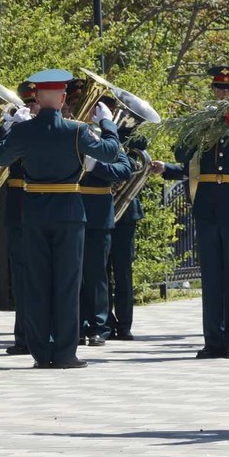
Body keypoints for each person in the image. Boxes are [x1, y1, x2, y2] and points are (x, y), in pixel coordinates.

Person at [0, 69, 122, 368]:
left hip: (33, 212)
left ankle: (40, 353)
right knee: (67, 284)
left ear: (35, 97)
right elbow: (111, 153)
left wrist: (6, 125)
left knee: (37, 284)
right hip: (69, 214)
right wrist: (108, 123)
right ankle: (64, 353)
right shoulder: (76, 130)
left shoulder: (24, 131)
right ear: (61, 98)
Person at [149, 65, 229, 359]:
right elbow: (182, 155)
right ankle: (213, 339)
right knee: (211, 277)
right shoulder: (204, 121)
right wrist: (197, 128)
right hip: (207, 206)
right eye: (218, 88)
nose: (223, 94)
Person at [79, 95, 134, 346]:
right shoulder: (72, 131)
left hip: (98, 211)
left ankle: (98, 325)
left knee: (96, 272)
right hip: (70, 208)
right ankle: (76, 323)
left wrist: (95, 168)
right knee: (72, 273)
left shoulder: (105, 137)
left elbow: (124, 169)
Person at [3, 81, 41, 355]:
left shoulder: (55, 130)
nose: (30, 108)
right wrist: (8, 128)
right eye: (26, 103)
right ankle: (23, 336)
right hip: (18, 206)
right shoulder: (16, 129)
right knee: (21, 275)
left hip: (43, 203)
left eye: (34, 103)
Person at [107, 117, 151, 340]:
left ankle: (124, 325)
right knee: (100, 271)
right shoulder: (96, 130)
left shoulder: (128, 133)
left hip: (125, 213)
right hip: (101, 207)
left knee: (123, 271)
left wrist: (120, 130)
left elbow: (142, 147)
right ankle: (105, 322)